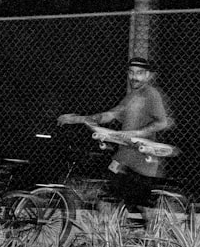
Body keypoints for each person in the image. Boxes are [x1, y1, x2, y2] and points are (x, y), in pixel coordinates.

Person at [57, 57, 174, 212]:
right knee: (111, 199)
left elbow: (162, 122)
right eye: (131, 72)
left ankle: (141, 226)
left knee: (129, 205)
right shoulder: (131, 97)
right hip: (124, 159)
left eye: (139, 73)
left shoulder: (151, 94)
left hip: (141, 163)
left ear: (148, 75)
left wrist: (137, 133)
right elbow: (110, 115)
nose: (134, 77)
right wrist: (78, 119)